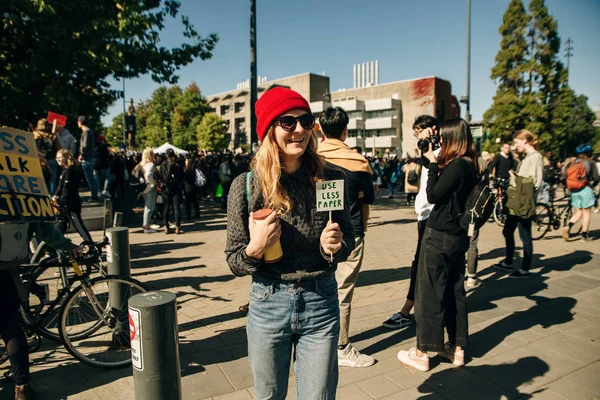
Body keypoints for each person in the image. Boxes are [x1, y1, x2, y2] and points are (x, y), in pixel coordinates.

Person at [225, 87, 354, 399]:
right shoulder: (246, 186)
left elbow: (348, 241)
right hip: (269, 303)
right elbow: (234, 260)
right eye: (288, 122)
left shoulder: (329, 178)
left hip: (320, 302)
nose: (299, 130)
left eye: (306, 121)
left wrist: (333, 245)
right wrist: (255, 249)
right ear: (270, 129)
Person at [397, 118, 477, 372]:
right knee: (455, 291)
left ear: (452, 138)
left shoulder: (455, 166)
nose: (439, 141)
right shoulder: (469, 165)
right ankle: (456, 348)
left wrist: (432, 164)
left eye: (443, 137)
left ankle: (422, 352)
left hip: (439, 233)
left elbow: (433, 195)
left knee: (429, 293)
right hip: (458, 235)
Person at [317, 106, 376, 368]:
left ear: (319, 129)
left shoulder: (311, 158)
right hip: (350, 232)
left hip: (315, 234)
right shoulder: (358, 162)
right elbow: (368, 200)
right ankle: (340, 345)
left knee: (316, 286)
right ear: (345, 130)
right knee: (343, 290)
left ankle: (316, 339)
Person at [1, 222, 79, 400]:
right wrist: (68, 246)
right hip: (4, 269)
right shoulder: (15, 194)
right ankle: (22, 388)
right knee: (11, 328)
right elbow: (41, 225)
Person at [382, 115, 439, 330]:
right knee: (421, 264)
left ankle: (408, 311)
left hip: (433, 215)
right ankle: (416, 309)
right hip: (424, 215)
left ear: (433, 129)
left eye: (420, 131)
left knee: (422, 265)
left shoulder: (440, 152)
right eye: (416, 133)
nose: (418, 136)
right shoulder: (429, 152)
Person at [493, 130, 543, 278]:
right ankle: (508, 261)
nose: (515, 146)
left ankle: (525, 268)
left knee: (525, 234)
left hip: (523, 202)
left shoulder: (535, 157)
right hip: (516, 201)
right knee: (508, 231)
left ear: (525, 140)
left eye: (517, 142)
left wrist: (517, 179)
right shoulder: (528, 157)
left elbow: (535, 182)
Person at [53, 149, 92, 242]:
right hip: (66, 202)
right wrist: (56, 195)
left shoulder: (70, 171)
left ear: (66, 158)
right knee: (61, 226)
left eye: (59, 158)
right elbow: (61, 186)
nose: (57, 160)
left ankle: (90, 243)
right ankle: (54, 247)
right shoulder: (65, 171)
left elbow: (67, 188)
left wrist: (62, 200)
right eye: (56, 158)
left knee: (78, 225)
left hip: (71, 203)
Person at [562, 144, 598, 242]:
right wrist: (592, 186)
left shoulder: (571, 163)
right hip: (586, 189)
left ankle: (568, 227)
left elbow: (565, 176)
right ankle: (584, 235)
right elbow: (596, 178)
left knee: (578, 212)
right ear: (587, 153)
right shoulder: (590, 162)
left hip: (574, 190)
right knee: (586, 213)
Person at [32, 118, 62, 195]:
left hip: (39, 160)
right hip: (51, 159)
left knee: (39, 179)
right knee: (52, 180)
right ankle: (52, 197)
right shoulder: (52, 136)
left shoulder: (34, 134)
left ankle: (40, 195)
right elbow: (59, 148)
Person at [161, 148, 184, 234]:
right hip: (175, 187)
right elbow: (182, 176)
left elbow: (164, 178)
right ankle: (177, 226)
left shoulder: (164, 164)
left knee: (167, 207)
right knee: (176, 208)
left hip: (168, 188)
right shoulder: (177, 164)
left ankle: (166, 226)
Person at [77, 116, 99, 202]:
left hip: (87, 158)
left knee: (90, 178)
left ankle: (94, 197)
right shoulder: (89, 132)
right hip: (89, 157)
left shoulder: (86, 132)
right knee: (90, 178)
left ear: (80, 122)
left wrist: (81, 154)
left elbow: (85, 145)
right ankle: (94, 195)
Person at [140, 148, 159, 233]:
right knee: (150, 207)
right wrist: (153, 182)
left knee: (147, 207)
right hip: (150, 187)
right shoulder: (150, 164)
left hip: (143, 187)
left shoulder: (141, 164)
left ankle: (146, 225)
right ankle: (146, 226)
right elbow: (148, 175)